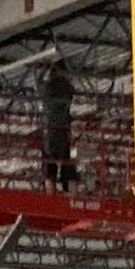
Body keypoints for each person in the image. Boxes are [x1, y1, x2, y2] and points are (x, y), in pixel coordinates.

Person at [40, 63, 76, 192]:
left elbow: (39, 85)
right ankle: (72, 195)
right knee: (67, 165)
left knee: (50, 166)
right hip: (64, 130)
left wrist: (42, 70)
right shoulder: (67, 87)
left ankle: (50, 196)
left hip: (50, 131)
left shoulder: (48, 86)